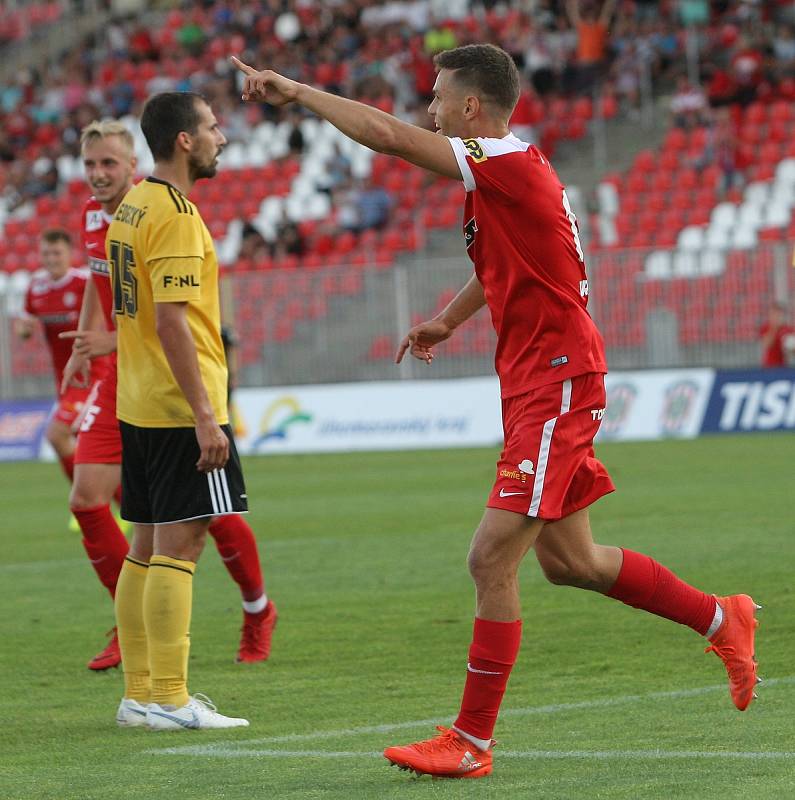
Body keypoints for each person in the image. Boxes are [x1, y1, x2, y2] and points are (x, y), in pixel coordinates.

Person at [233, 44, 761, 778]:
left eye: (438, 97)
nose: (430, 108)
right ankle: (719, 616)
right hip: (533, 382)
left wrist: (297, 91)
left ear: (470, 108)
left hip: (557, 378)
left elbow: (386, 136)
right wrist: (447, 321)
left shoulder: (502, 160)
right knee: (571, 562)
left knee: (488, 557)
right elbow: (502, 268)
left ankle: (471, 741)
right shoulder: (502, 179)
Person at [60, 120, 277, 672]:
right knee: (91, 499)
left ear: (135, 164)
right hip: (126, 379)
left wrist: (108, 338)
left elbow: (166, 316)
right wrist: (85, 350)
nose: (97, 175)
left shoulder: (156, 211)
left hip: (168, 377)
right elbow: (98, 280)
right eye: (89, 165)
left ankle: (256, 609)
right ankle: (132, 633)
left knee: (206, 515)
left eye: (108, 163)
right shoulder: (98, 218)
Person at [108, 91, 253, 730]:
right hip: (176, 408)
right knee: (184, 542)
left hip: (137, 401)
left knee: (143, 544)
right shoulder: (175, 214)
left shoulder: (132, 205)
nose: (222, 136)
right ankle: (168, 697)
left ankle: (140, 695)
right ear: (185, 141)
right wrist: (203, 413)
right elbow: (171, 321)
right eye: (213, 127)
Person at [14, 229, 107, 499]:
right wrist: (24, 330)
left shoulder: (83, 283)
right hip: (64, 379)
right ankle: (105, 503)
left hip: (94, 374)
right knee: (85, 444)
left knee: (57, 434)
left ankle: (90, 501)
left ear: (69, 254)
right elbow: (25, 325)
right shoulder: (36, 287)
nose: (51, 258)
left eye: (56, 253)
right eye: (46, 253)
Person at [759, 302, 795, 367]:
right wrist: (774, 328)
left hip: (783, 365)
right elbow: (766, 344)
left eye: (778, 314)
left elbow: (792, 351)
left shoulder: (787, 329)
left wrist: (791, 348)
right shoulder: (766, 327)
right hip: (769, 366)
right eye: (774, 314)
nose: (776, 317)